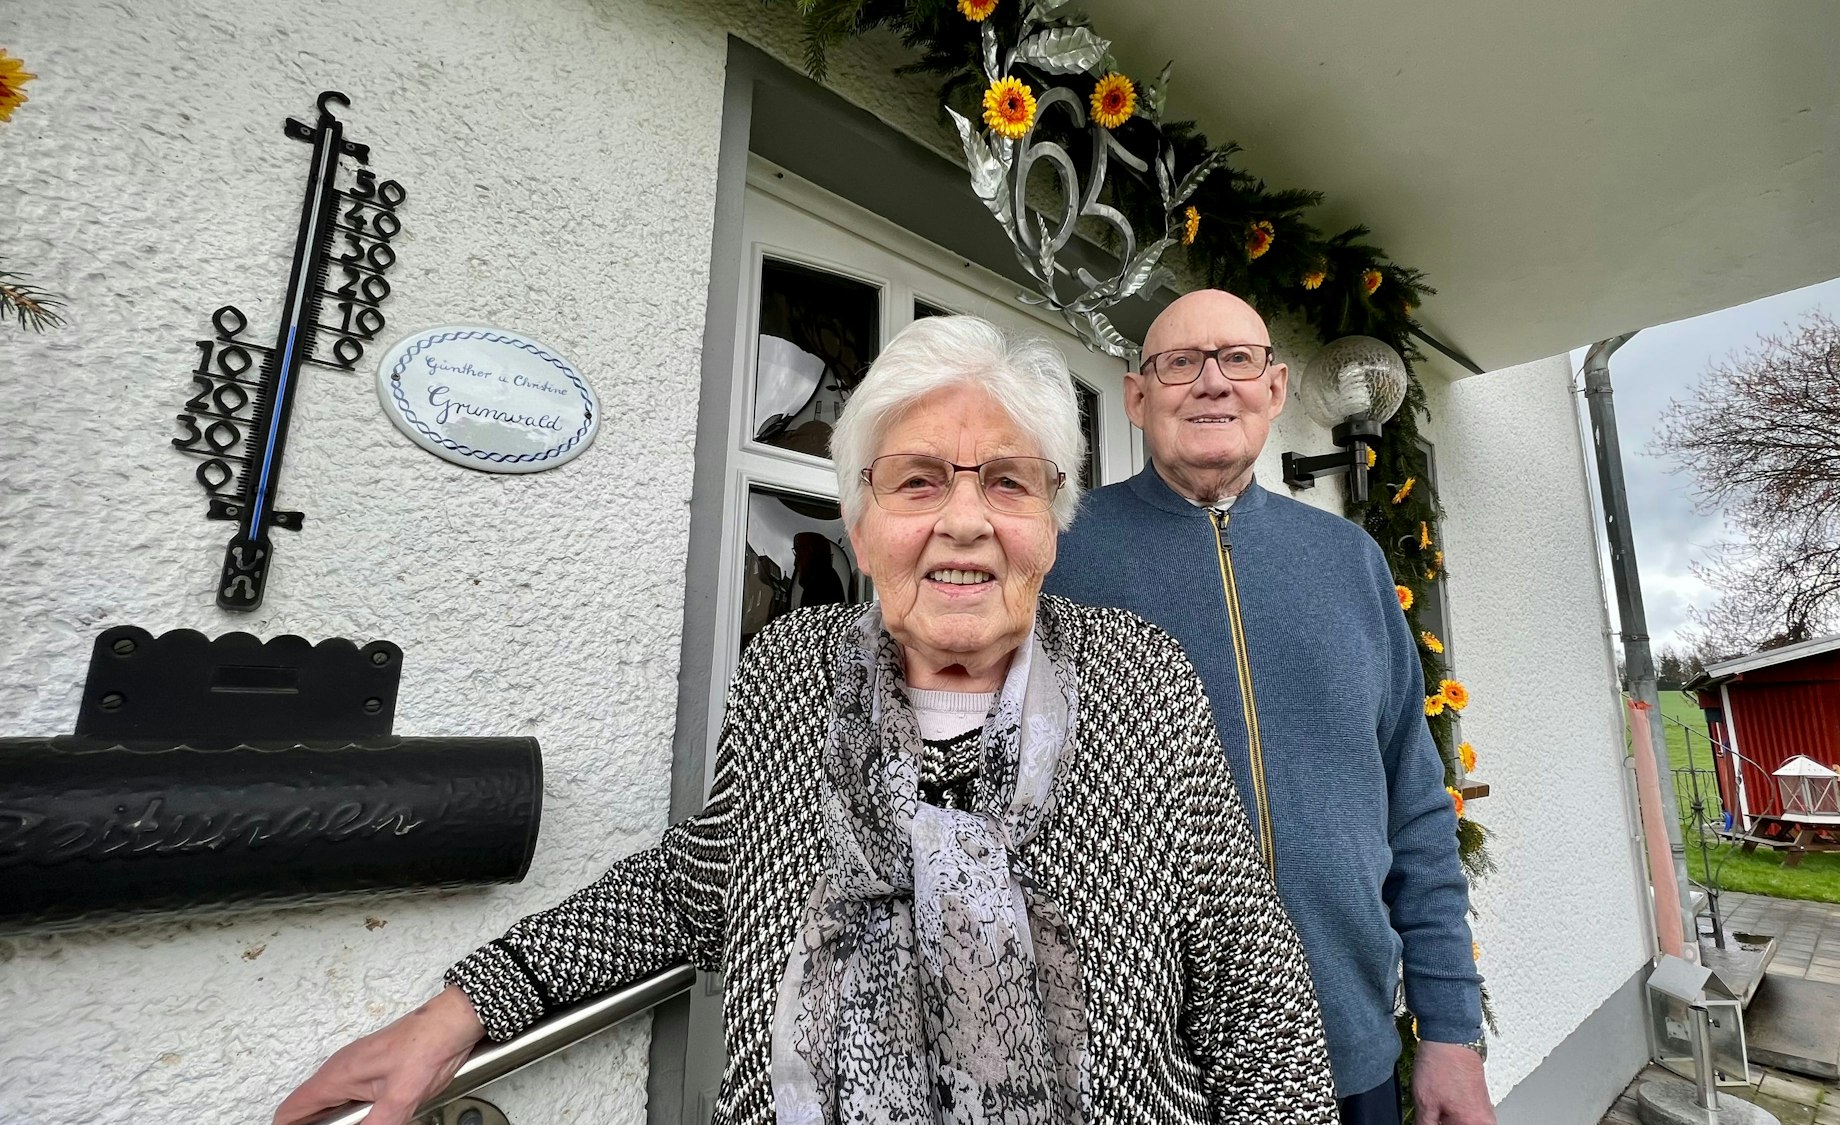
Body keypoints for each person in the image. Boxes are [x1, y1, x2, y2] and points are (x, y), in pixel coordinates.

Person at [274, 315, 1341, 1125]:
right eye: (917, 480)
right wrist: (468, 1005)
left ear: (1050, 523)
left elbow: (1253, 986)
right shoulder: (789, 672)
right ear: (860, 518)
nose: (963, 521)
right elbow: (695, 882)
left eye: (1007, 484)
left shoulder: (1142, 683)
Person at [1046, 290, 1493, 1125]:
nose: (1212, 383)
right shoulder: (1060, 557)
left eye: (1238, 359)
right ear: (1137, 397)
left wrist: (1451, 1029)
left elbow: (1416, 806)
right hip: (1143, 1069)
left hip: (1345, 1046)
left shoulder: (1350, 563)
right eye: (1180, 362)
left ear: (1276, 389)